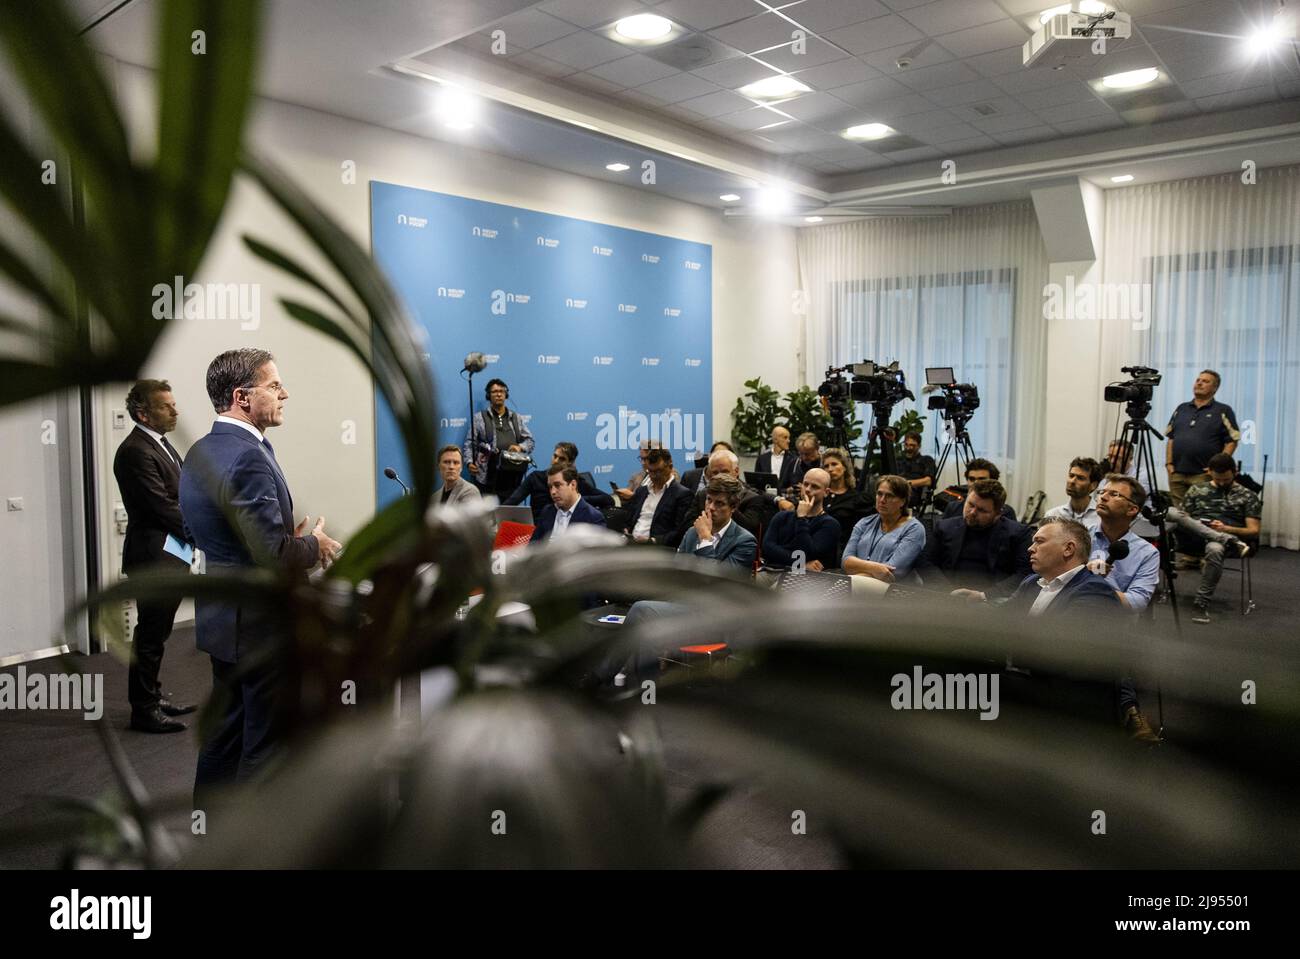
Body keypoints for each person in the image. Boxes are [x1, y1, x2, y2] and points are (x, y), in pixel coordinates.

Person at [180, 349, 341, 807]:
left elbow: (196, 531)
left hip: (223, 622)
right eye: (274, 385)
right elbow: (273, 553)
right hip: (261, 627)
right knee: (264, 745)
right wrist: (317, 546)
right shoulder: (248, 458)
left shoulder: (200, 451)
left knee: (223, 738)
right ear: (242, 397)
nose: (284, 393)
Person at [112, 379, 196, 733]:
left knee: (157, 634)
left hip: (170, 554)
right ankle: (143, 710)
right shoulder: (135, 450)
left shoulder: (159, 444)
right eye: (167, 406)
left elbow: (180, 496)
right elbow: (160, 507)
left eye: (174, 404)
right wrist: (203, 531)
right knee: (149, 637)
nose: (175, 410)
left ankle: (153, 696)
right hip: (153, 558)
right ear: (143, 414)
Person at [1176, 453, 1261, 624]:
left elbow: (1253, 531)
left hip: (1225, 541)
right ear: (1209, 472)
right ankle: (1224, 537)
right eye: (1218, 479)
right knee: (1172, 513)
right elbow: (1184, 518)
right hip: (1195, 536)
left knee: (1215, 548)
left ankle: (1201, 602)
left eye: (1226, 479)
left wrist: (1226, 529)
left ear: (1235, 472)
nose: (1222, 483)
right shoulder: (1196, 490)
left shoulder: (1247, 495)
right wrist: (1199, 524)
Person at [920, 478, 1032, 601]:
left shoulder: (1018, 534)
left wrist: (985, 595)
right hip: (947, 594)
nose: (972, 512)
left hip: (992, 599)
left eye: (982, 510)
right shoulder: (944, 527)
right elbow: (925, 563)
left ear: (998, 514)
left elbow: (1024, 573)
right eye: (970, 504)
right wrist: (947, 592)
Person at [1007, 517, 1122, 617]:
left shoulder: (1096, 591)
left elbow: (1061, 639)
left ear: (1068, 549)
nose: (1030, 548)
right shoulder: (1031, 581)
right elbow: (1003, 618)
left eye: (1040, 541)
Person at [1165, 369, 1240, 506]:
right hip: (1177, 474)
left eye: (1205, 381)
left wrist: (1217, 467)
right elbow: (1171, 438)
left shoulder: (1223, 410)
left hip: (1203, 474)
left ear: (1215, 388)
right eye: (1198, 380)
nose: (1199, 383)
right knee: (1179, 515)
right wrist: (1169, 464)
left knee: (1202, 513)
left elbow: (1232, 440)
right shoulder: (1181, 408)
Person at [669, 448, 770, 548]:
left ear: (736, 471)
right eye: (715, 473)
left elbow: (749, 529)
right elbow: (685, 527)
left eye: (725, 472)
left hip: (732, 547)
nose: (720, 476)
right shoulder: (703, 494)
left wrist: (729, 504)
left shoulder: (752, 498)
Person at [1088, 474, 1160, 611]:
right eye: (1101, 492)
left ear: (1132, 509)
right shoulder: (1080, 535)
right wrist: (1085, 571)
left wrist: (1091, 587)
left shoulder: (1148, 554)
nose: (1103, 497)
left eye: (1114, 494)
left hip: (1114, 621)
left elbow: (1137, 602)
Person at [842, 474, 926, 583]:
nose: (882, 500)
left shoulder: (914, 529)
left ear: (903, 501)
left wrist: (857, 574)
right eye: (879, 494)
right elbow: (846, 562)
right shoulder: (864, 523)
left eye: (889, 496)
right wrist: (876, 568)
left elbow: (892, 573)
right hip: (857, 584)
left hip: (896, 593)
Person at [463, 377, 535, 499]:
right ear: (488, 396)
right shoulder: (479, 418)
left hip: (512, 475)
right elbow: (469, 443)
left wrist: (520, 447)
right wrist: (469, 462)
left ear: (506, 395)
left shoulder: (516, 418)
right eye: (495, 391)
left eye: (502, 391)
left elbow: (530, 441)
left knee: (508, 513)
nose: (499, 394)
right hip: (486, 475)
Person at [504, 441, 612, 521]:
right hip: (539, 530)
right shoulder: (535, 477)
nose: (556, 461)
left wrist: (574, 500)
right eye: (555, 456)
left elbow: (608, 499)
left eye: (562, 459)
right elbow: (511, 502)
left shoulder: (575, 483)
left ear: (571, 463)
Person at [762, 468, 839, 571]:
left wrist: (802, 518)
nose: (807, 489)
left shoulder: (830, 524)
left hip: (804, 578)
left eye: (815, 487)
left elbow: (808, 553)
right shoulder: (782, 516)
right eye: (805, 484)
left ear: (826, 492)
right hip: (772, 570)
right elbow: (767, 549)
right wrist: (800, 565)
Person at [677, 474, 758, 568]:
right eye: (709, 500)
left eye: (719, 503)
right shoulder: (692, 532)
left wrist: (705, 540)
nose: (711, 507)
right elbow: (677, 571)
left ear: (734, 507)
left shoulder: (745, 542)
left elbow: (718, 579)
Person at [620, 448, 692, 545]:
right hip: (632, 544)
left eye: (658, 471)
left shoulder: (682, 494)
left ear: (670, 467)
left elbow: (680, 532)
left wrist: (653, 541)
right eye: (650, 471)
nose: (653, 476)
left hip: (658, 548)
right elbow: (628, 520)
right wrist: (626, 530)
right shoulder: (641, 491)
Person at [530, 465, 607, 541]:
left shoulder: (593, 518)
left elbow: (597, 553)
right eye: (550, 487)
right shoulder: (547, 511)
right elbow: (532, 546)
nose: (553, 492)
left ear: (573, 485)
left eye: (558, 485)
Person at [820, 447, 871, 556]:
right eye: (826, 466)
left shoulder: (858, 499)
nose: (830, 469)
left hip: (844, 553)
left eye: (834, 464)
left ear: (844, 467)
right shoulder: (819, 495)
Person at [940, 458, 1017, 520]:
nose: (976, 483)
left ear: (993, 482)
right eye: (972, 479)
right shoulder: (953, 508)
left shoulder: (1006, 512)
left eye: (982, 479)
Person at [1043, 457, 1103, 531]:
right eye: (1071, 476)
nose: (1072, 481)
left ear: (1093, 485)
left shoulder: (1101, 516)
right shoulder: (1053, 515)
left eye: (1080, 478)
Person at [431, 445, 480, 509]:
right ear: (438, 466)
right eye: (446, 462)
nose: (451, 467)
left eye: (456, 463)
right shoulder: (434, 497)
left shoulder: (470, 492)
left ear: (461, 467)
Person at [897, 431, 936, 509]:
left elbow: (928, 481)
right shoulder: (898, 460)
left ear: (919, 446)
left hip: (913, 492)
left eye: (912, 445)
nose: (908, 448)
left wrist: (907, 483)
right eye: (906, 445)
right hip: (896, 489)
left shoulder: (926, 460)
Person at [754, 425, 796, 490]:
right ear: (775, 439)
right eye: (785, 437)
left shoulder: (793, 459)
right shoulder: (762, 459)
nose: (788, 441)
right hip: (765, 496)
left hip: (786, 496)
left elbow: (794, 482)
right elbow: (756, 481)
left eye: (789, 438)